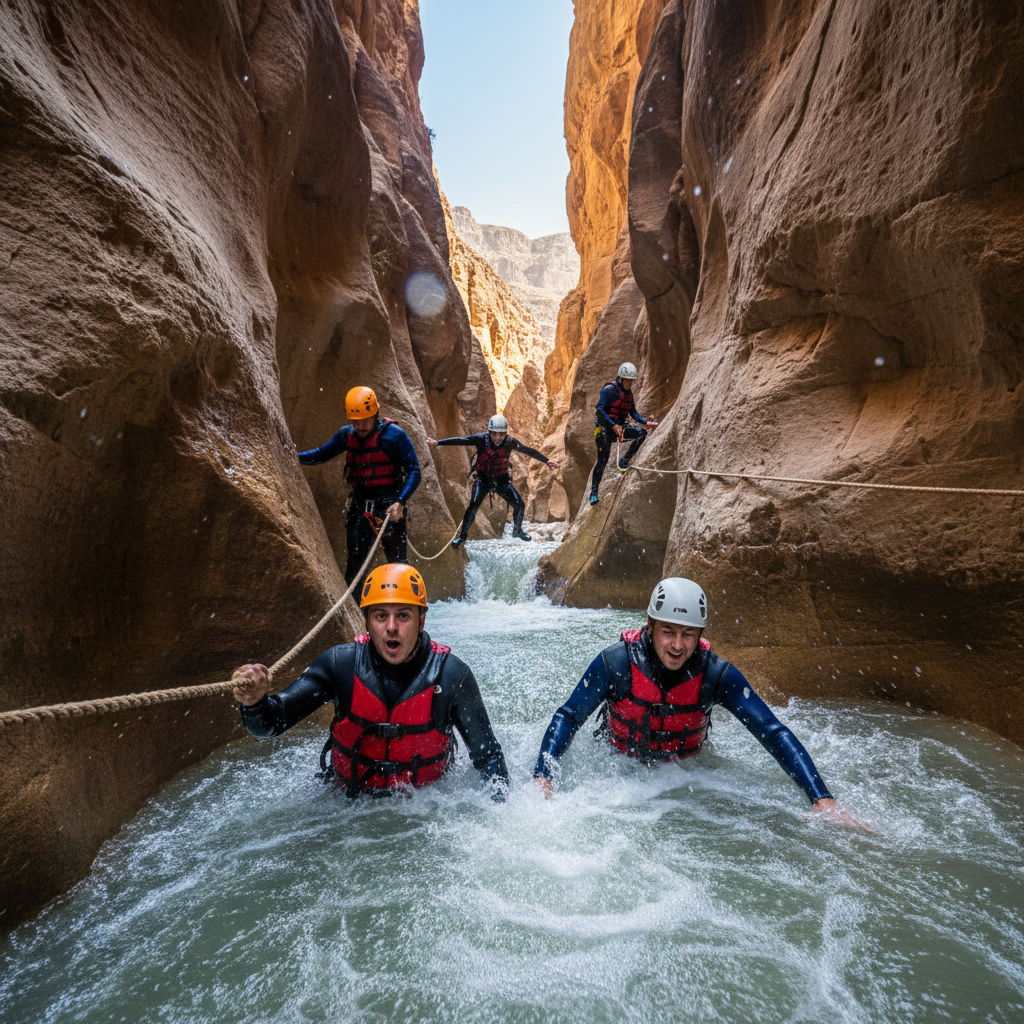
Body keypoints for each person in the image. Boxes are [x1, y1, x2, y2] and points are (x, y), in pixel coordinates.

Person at [533, 577, 867, 828]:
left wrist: (822, 800)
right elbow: (568, 716)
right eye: (668, 631)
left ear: (701, 633)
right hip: (614, 771)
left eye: (688, 634)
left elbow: (772, 731)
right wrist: (544, 777)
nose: (677, 645)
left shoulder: (716, 675)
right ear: (650, 626)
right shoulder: (616, 663)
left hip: (684, 774)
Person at [232, 563, 510, 798]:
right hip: (346, 802)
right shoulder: (339, 665)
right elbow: (270, 725)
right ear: (366, 622)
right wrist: (255, 703)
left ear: (421, 621)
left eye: (403, 615)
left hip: (426, 812)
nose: (391, 627)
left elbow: (489, 760)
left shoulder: (452, 677)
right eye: (380, 616)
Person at [298, 386, 421, 584]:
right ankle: (359, 613)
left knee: (398, 565)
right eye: (356, 422)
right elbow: (321, 454)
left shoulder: (395, 436)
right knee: (355, 567)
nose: (360, 426)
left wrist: (400, 502)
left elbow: (414, 471)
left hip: (390, 507)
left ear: (375, 414)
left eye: (365, 421)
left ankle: (406, 611)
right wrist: (295, 457)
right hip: (360, 507)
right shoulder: (346, 435)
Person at [426, 414, 560, 547]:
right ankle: (462, 537)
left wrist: (546, 461)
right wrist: (437, 443)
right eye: (494, 434)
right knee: (473, 505)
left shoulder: (510, 442)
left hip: (502, 482)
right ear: (490, 432)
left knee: (520, 505)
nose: (497, 438)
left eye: (501, 434)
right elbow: (461, 440)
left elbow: (528, 450)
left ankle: (518, 531)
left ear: (505, 434)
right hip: (483, 480)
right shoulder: (480, 439)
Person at [590, 361, 659, 506]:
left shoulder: (628, 395)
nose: (630, 384)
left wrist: (645, 423)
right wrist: (613, 425)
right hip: (604, 431)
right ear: (621, 379)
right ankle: (594, 492)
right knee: (602, 460)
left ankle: (625, 460)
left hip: (619, 430)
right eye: (628, 381)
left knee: (641, 434)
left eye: (631, 381)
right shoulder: (609, 390)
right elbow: (600, 410)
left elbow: (633, 412)